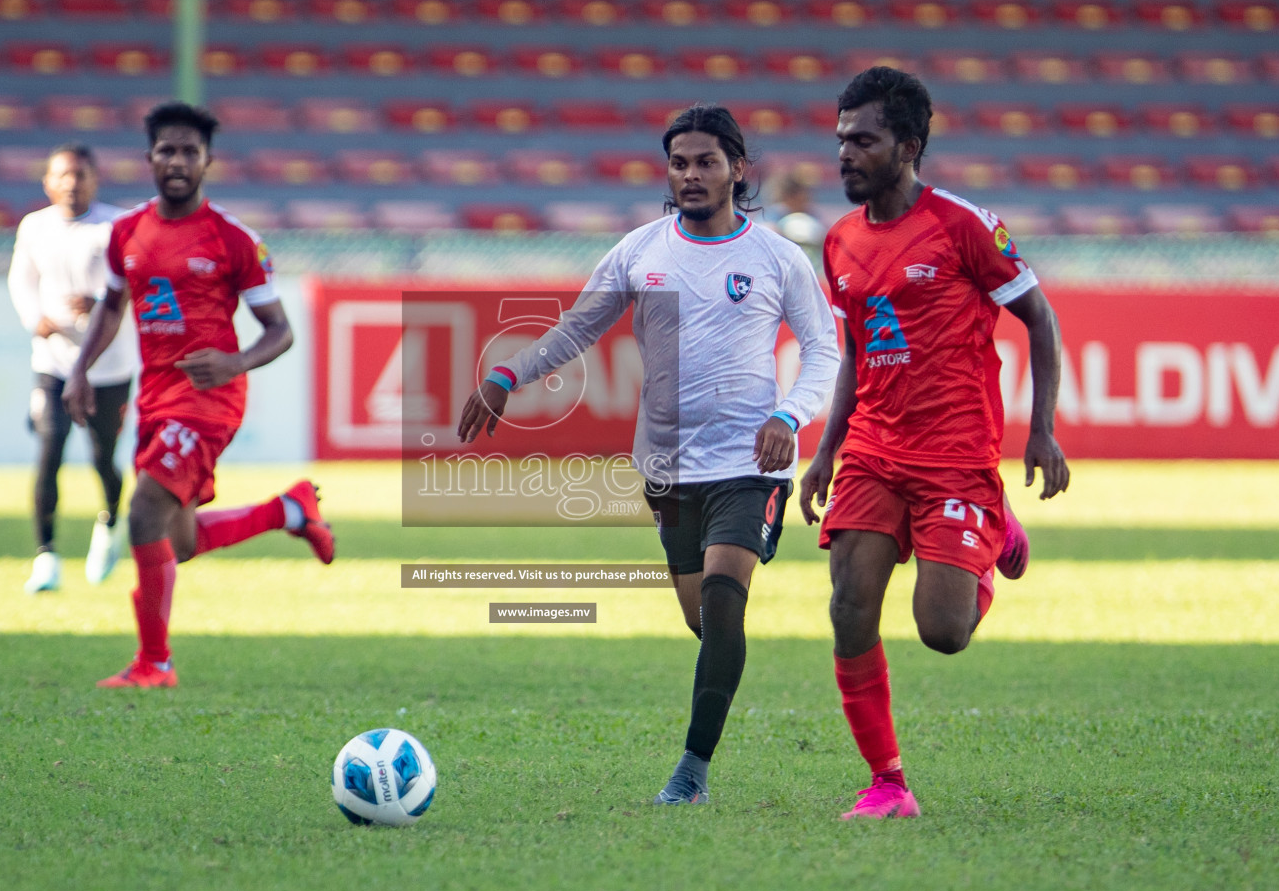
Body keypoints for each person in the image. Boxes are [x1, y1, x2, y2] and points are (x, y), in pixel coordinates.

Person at [458, 105, 839, 805]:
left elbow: (825, 350)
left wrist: (790, 414)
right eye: (680, 163)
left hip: (750, 463)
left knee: (724, 604)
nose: (690, 175)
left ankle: (690, 772)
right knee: (702, 621)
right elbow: (578, 327)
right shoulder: (640, 251)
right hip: (666, 469)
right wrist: (506, 374)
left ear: (738, 169)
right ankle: (716, 679)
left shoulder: (777, 258)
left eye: (706, 162)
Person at [798, 67, 1071, 820]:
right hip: (873, 451)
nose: (845, 155)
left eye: (863, 140)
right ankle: (887, 783)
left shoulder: (964, 225)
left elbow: (1039, 319)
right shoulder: (841, 241)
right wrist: (827, 450)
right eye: (841, 140)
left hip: (954, 450)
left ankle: (992, 532)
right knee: (849, 606)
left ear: (909, 146)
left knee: (943, 633)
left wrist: (1041, 427)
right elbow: (858, 347)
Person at [64, 101, 335, 689]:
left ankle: (154, 664)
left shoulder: (234, 241)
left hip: (210, 400)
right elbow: (112, 306)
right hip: (156, 397)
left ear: (208, 160)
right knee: (175, 542)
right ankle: (289, 510)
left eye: (190, 151)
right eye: (168, 150)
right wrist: (80, 370)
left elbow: (280, 330)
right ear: (150, 159)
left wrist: (235, 362)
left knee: (141, 514)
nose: (178, 161)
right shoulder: (126, 234)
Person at [7, 143, 137, 593]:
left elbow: (138, 283)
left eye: (80, 175)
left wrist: (103, 303)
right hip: (55, 361)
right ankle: (46, 557)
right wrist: (33, 318)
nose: (71, 183)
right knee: (50, 448)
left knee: (103, 457)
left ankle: (110, 521)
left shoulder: (116, 226)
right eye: (63, 175)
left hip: (108, 366)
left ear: (94, 180)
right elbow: (21, 280)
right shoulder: (35, 227)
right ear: (48, 182)